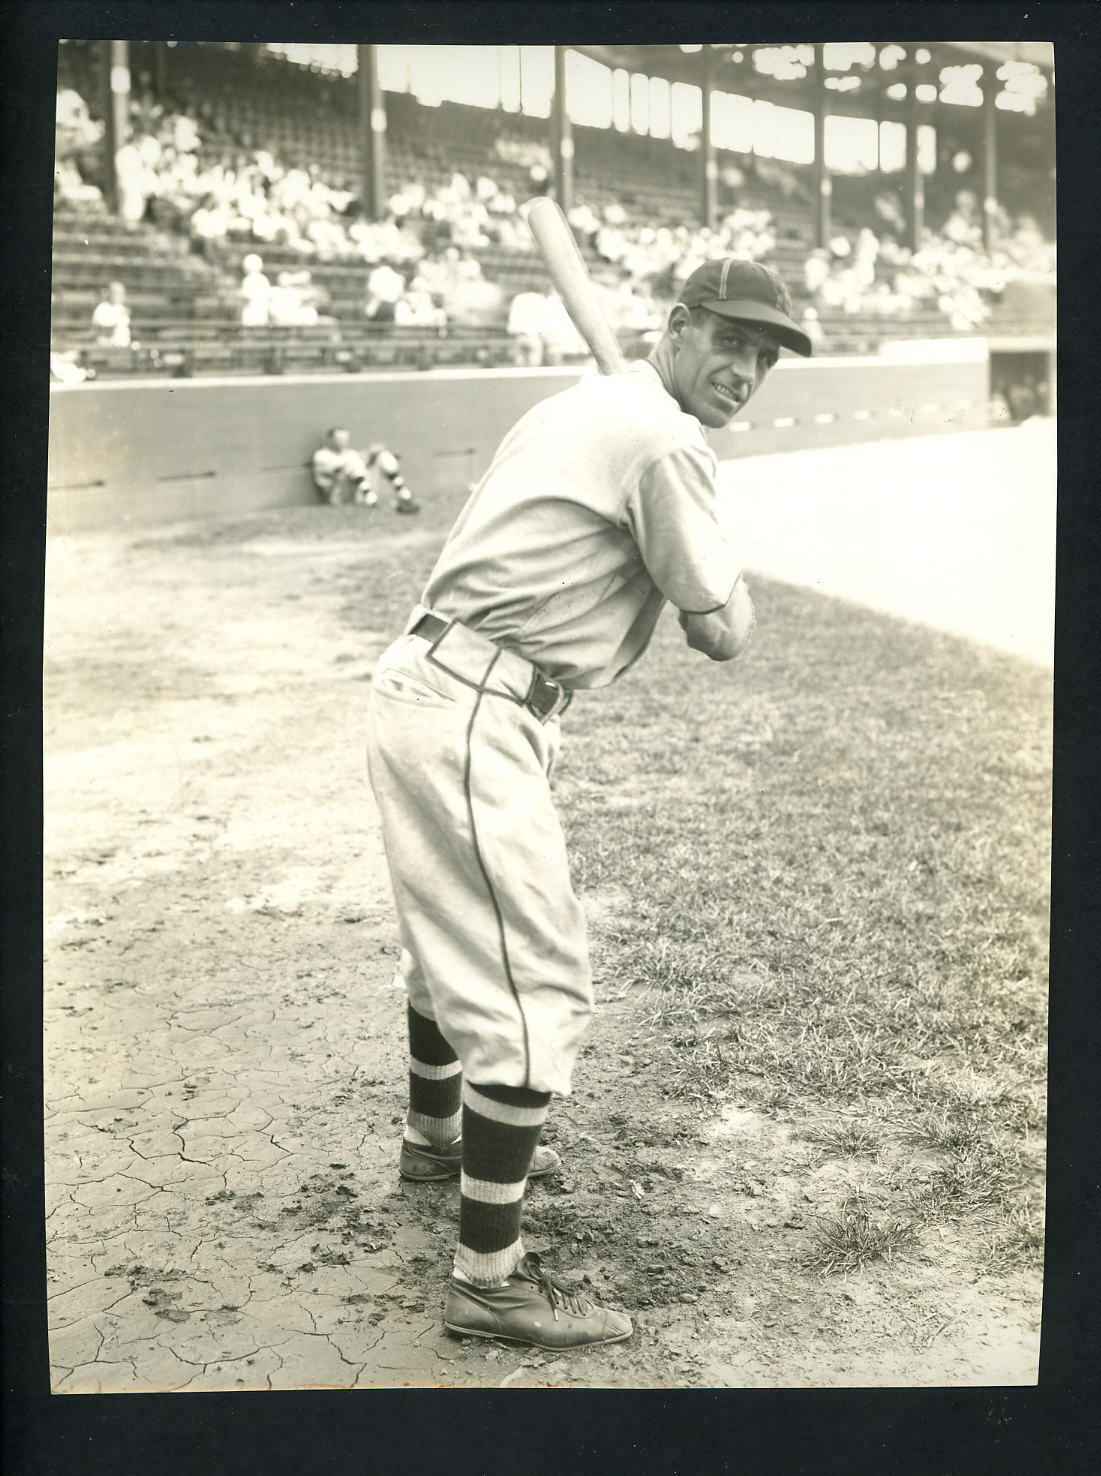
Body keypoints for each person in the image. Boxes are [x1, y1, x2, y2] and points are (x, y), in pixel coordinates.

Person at [365, 258, 812, 1351]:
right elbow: (720, 631)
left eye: (763, 356)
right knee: (535, 980)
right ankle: (487, 1282)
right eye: (730, 343)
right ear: (675, 326)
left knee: (456, 939)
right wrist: (726, 576)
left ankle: (434, 1135)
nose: (745, 369)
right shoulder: (656, 438)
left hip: (443, 688)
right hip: (474, 705)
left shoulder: (594, 400)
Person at [311, 427, 377, 506]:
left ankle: (371, 494)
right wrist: (360, 458)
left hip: (355, 490)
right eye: (340, 439)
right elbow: (336, 471)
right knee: (353, 463)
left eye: (345, 439)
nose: (344, 442)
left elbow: (364, 465)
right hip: (336, 493)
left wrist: (372, 455)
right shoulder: (321, 455)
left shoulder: (350, 453)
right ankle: (368, 494)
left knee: (383, 455)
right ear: (330, 440)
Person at [91, 282, 133, 348]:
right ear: (109, 293)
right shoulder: (102, 308)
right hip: (108, 347)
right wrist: (119, 318)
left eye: (121, 293)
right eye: (115, 293)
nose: (119, 296)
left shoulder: (121, 307)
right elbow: (104, 329)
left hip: (123, 346)